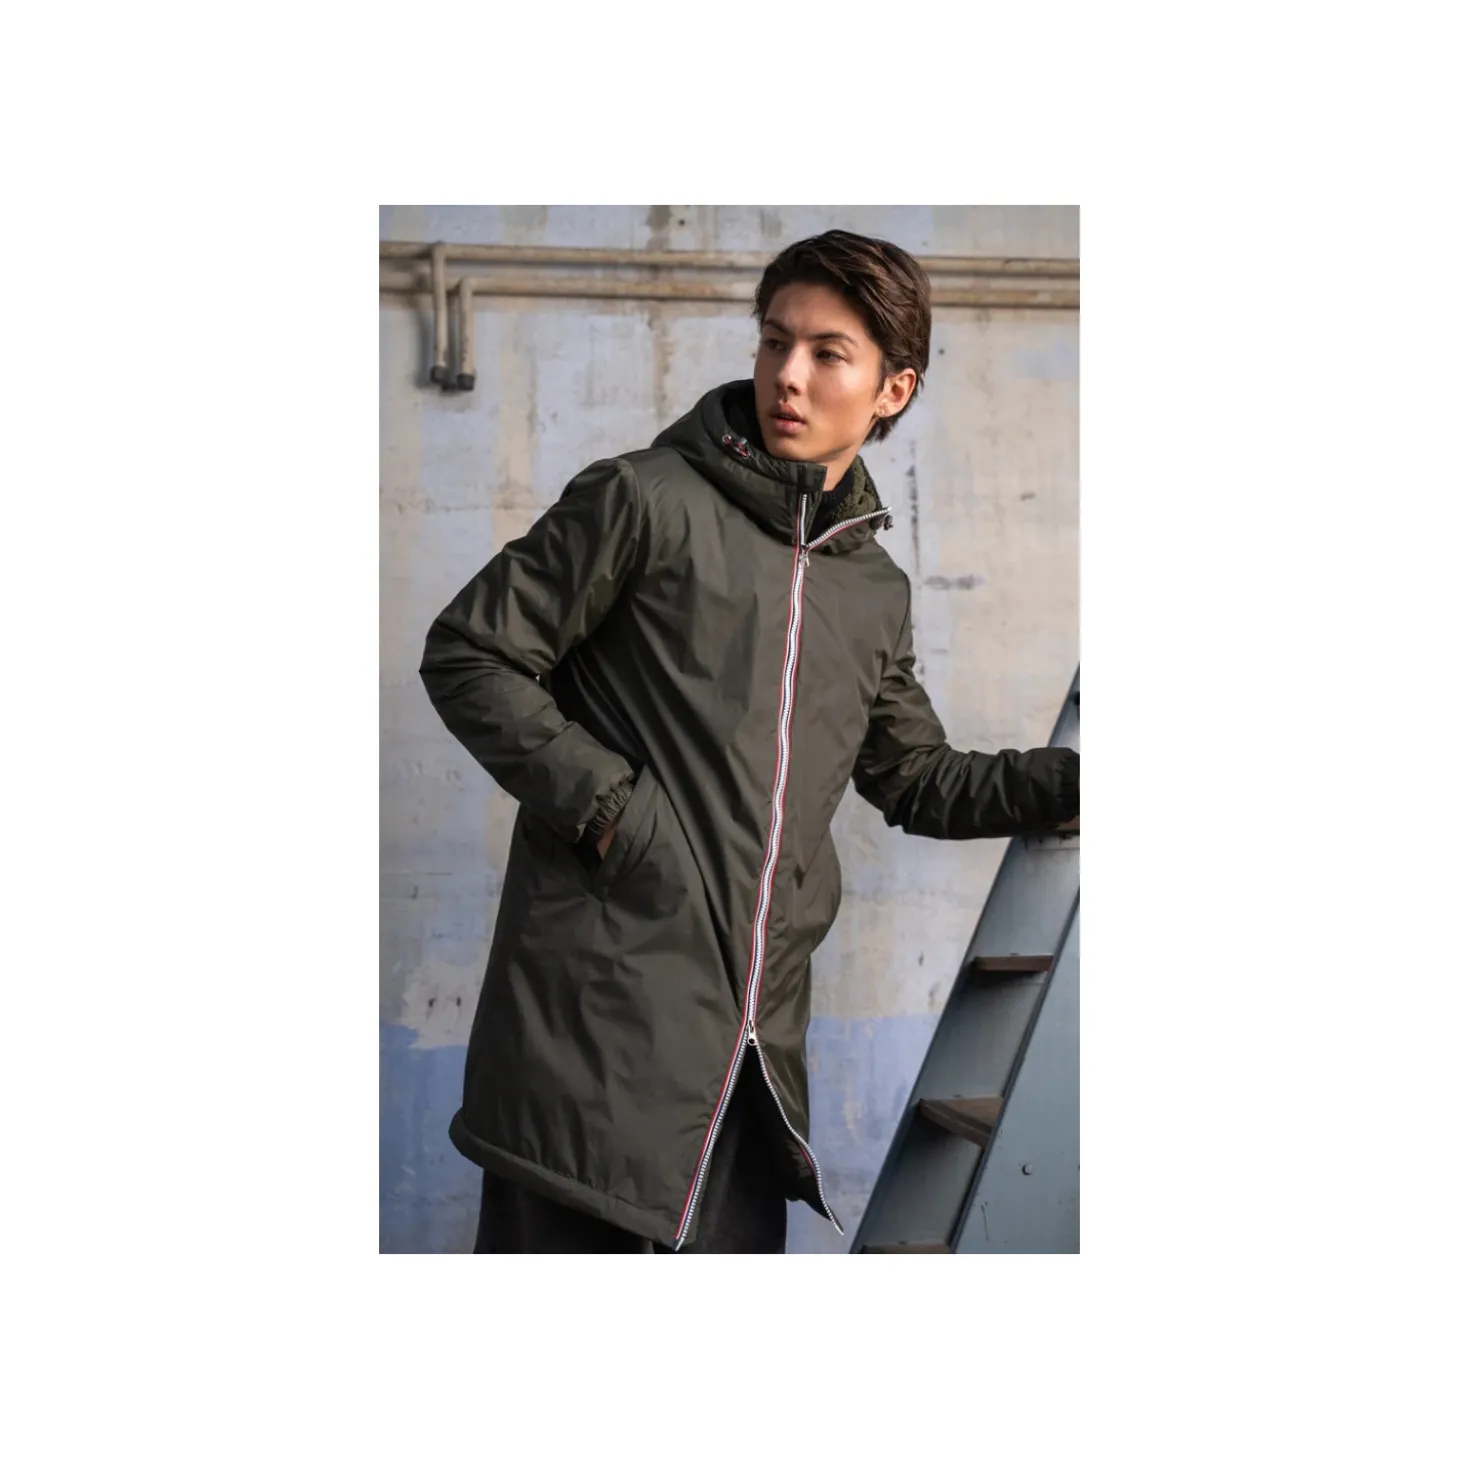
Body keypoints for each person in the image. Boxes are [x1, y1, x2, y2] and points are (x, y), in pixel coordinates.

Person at [418, 229, 1079, 1254]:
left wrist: (1078, 781)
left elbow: (914, 778)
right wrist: (610, 809)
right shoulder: (642, 499)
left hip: (751, 1065)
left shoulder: (872, 590)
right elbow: (471, 652)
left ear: (892, 389)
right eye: (775, 341)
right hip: (591, 1033)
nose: (787, 375)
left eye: (827, 353)